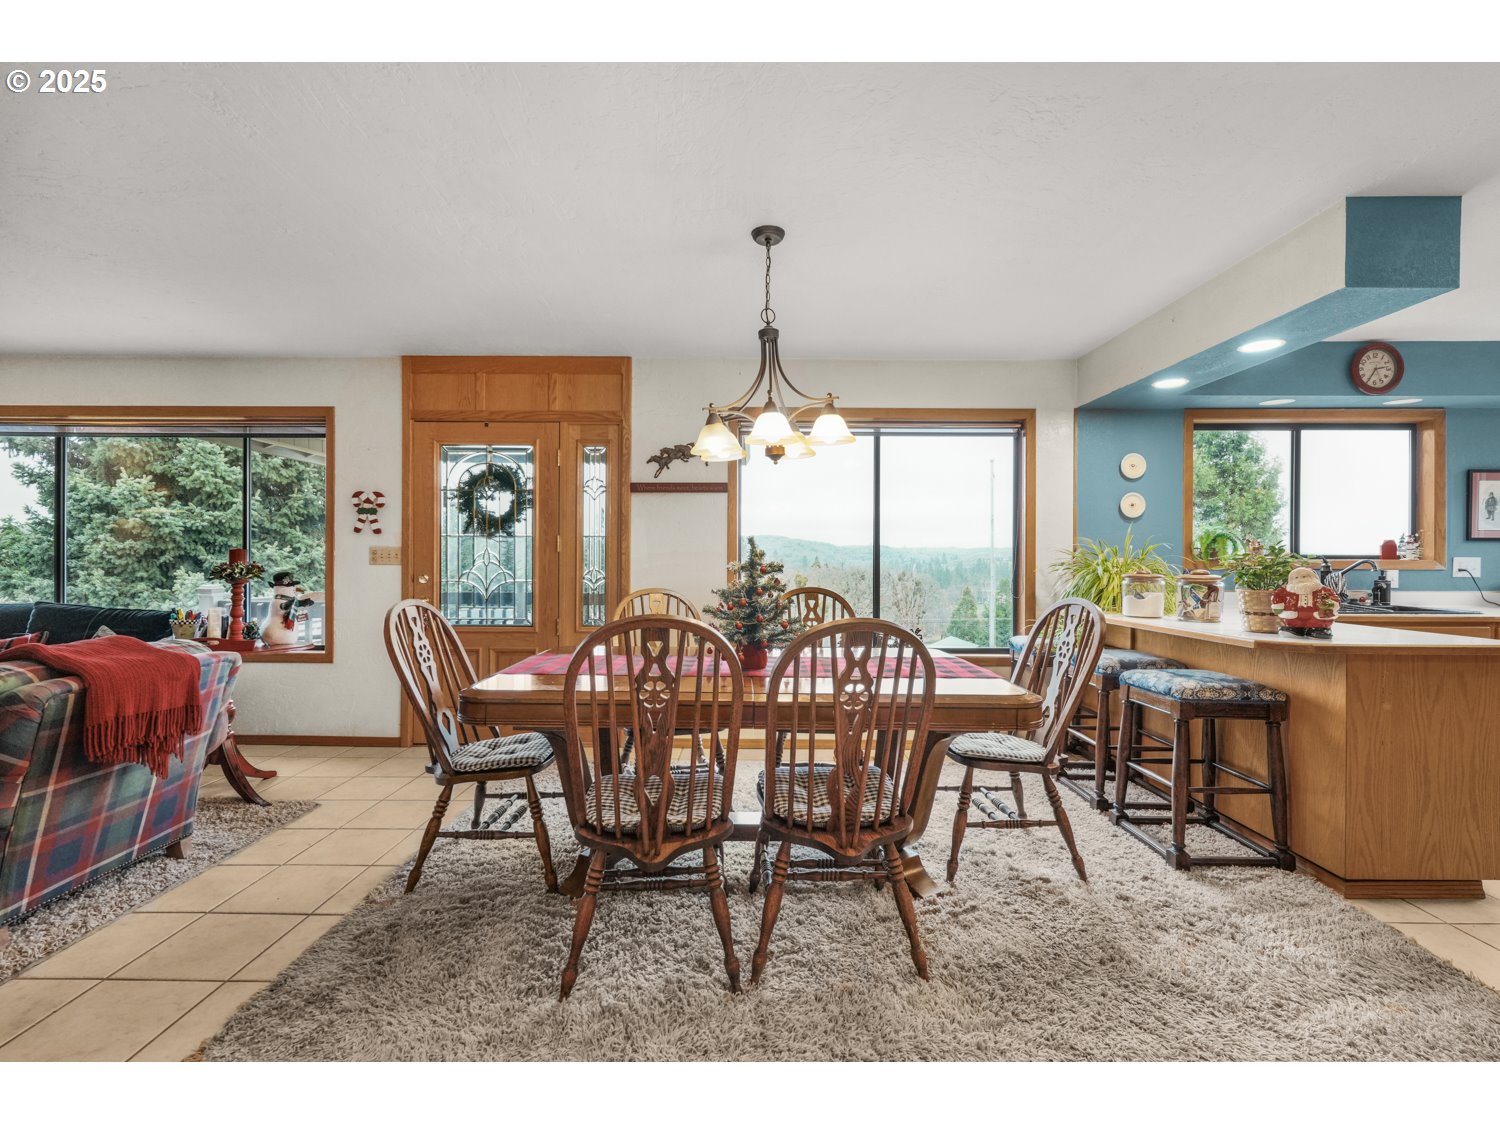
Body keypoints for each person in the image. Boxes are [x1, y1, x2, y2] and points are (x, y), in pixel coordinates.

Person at [1270, 566, 1341, 639]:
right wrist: (1277, 605)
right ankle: (1293, 628)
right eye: (1296, 578)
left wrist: (1330, 604)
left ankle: (1319, 629)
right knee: (1291, 621)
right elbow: (1277, 595)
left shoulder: (1324, 590)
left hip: (1317, 616)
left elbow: (1334, 598)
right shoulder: (1287, 590)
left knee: (1320, 621)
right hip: (1293, 616)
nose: (1300, 580)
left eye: (1304, 576)